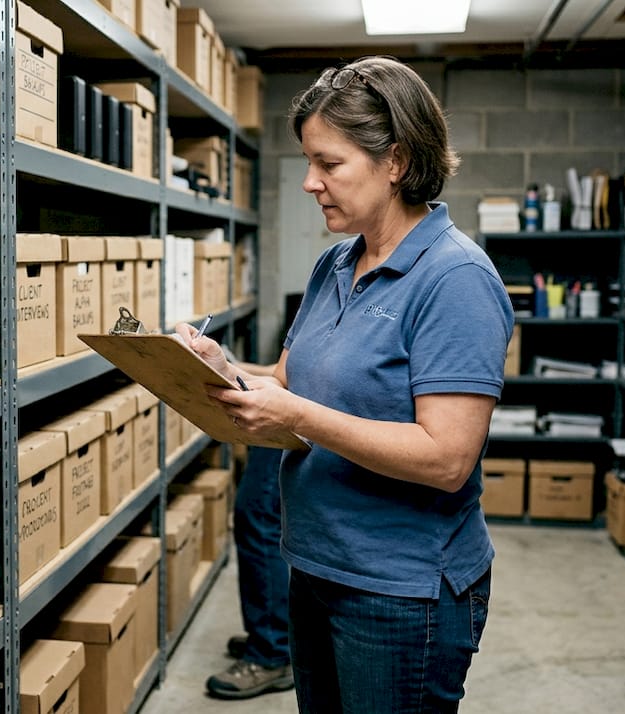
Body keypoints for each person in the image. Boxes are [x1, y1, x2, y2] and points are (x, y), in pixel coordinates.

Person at [177, 56, 514, 713]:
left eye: (329, 164)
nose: (310, 183)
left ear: (396, 160)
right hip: (317, 566)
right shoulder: (338, 261)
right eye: (308, 162)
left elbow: (447, 458)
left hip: (401, 591)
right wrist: (220, 363)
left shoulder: (455, 279)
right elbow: (289, 378)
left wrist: (298, 417)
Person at [205, 360, 292, 701]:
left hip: (297, 415)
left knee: (259, 517)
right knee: (258, 516)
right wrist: (221, 364)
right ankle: (275, 630)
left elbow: (286, 378)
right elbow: (284, 371)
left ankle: (272, 650)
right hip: (290, 407)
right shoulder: (320, 304)